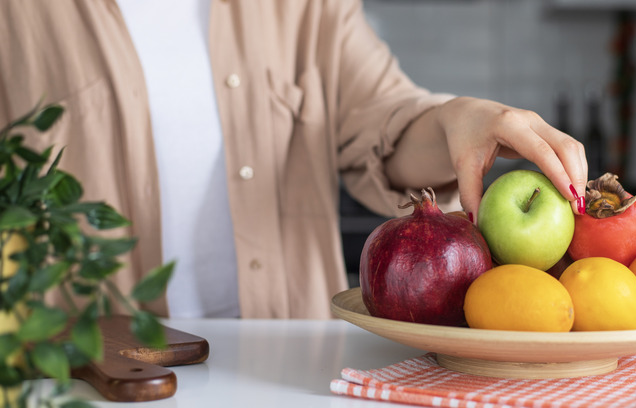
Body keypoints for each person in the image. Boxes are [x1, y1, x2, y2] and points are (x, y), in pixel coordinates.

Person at [0, 0, 586, 319]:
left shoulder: (307, 6)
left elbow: (385, 118)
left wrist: (459, 119)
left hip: (286, 374)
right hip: (83, 381)